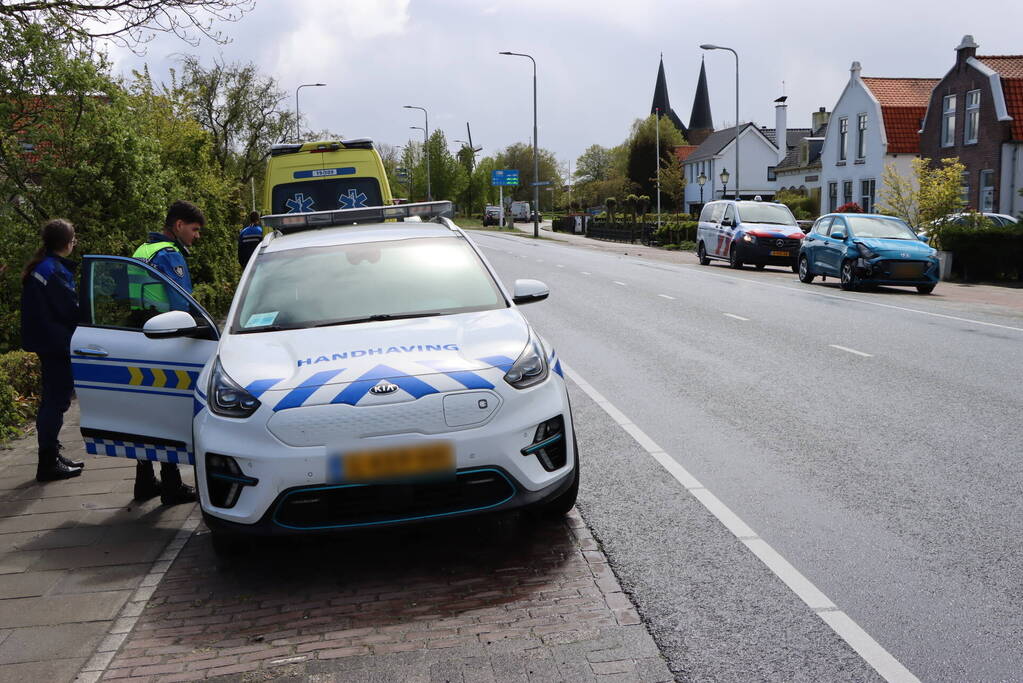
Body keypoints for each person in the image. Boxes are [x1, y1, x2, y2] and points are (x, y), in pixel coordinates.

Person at [131, 200, 204, 505]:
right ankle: (172, 486)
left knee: (144, 411)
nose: (197, 236)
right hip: (165, 336)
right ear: (178, 226)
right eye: (194, 229)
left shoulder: (141, 250)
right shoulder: (169, 254)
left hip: (138, 333)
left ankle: (145, 481)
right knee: (166, 410)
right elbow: (181, 302)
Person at [20, 219, 84, 482]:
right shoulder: (53, 271)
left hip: (48, 343)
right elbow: (69, 310)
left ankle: (51, 455)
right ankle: (47, 462)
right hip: (56, 345)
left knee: (52, 400)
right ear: (67, 242)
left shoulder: (44, 267)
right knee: (55, 402)